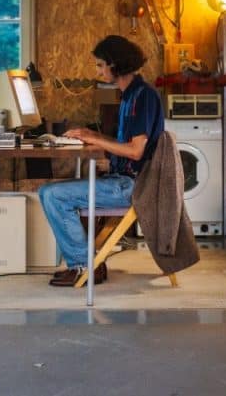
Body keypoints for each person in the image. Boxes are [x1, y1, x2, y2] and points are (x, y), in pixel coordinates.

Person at [39, 35, 165, 287]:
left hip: (133, 187)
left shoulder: (143, 96)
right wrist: (99, 145)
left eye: (100, 65)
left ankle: (84, 266)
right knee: (54, 192)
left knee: (52, 195)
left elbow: (136, 151)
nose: (97, 70)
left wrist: (93, 137)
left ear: (114, 65)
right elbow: (130, 149)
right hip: (126, 180)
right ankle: (87, 262)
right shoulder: (130, 95)